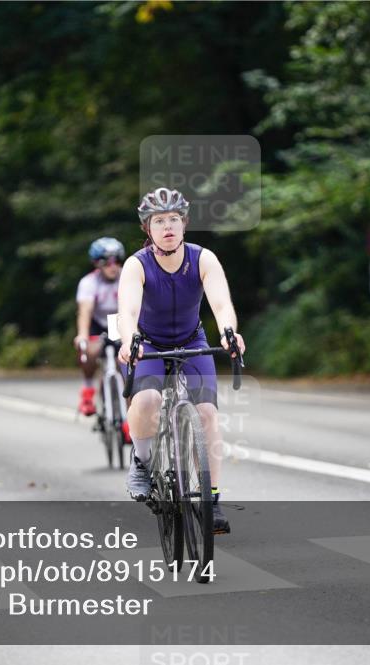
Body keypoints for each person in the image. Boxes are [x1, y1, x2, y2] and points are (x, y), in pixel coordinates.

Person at [117, 187, 246, 534]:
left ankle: (211, 500)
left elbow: (220, 304)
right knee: (147, 400)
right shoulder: (136, 265)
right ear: (148, 229)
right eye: (159, 221)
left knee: (206, 413)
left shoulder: (204, 258)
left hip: (193, 340)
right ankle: (142, 462)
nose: (168, 226)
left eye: (174, 219)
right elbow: (128, 310)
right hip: (149, 343)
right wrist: (130, 340)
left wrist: (229, 332)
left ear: (184, 224)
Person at [74, 237, 125, 418]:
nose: (113, 266)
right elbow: (85, 311)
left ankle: (125, 415)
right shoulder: (89, 282)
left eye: (117, 261)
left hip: (119, 320)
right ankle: (88, 391)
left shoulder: (126, 277)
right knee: (88, 351)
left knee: (125, 362)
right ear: (98, 264)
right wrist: (82, 335)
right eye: (108, 262)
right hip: (97, 322)